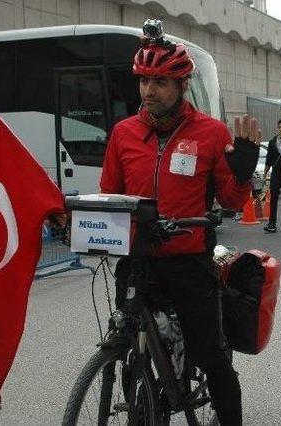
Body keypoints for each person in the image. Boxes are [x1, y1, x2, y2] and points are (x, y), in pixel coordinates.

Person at [99, 20, 259, 425]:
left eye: (160, 83)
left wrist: (243, 173)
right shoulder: (123, 134)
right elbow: (108, 196)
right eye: (144, 81)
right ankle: (147, 406)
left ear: (182, 85)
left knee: (212, 357)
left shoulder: (210, 132)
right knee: (127, 347)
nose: (149, 91)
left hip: (188, 261)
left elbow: (231, 201)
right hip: (137, 261)